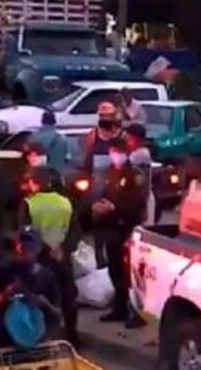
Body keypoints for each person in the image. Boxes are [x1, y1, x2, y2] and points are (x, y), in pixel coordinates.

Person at [19, 170, 82, 345]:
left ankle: (40, 337)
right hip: (62, 258)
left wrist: (44, 249)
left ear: (34, 183)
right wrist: (63, 249)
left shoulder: (29, 203)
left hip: (40, 259)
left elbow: (26, 232)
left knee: (38, 297)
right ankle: (72, 336)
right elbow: (75, 230)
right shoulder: (65, 202)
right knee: (68, 298)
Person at [94, 142, 149, 328]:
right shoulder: (109, 173)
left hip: (128, 229)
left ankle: (136, 312)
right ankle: (120, 307)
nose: (115, 156)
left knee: (130, 274)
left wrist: (115, 208)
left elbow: (138, 204)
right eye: (112, 152)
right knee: (115, 270)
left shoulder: (135, 175)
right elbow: (103, 193)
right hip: (111, 229)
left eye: (119, 152)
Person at [0, 227, 63, 349]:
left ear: (39, 249)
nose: (26, 252)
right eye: (22, 246)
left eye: (31, 247)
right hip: (7, 344)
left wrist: (44, 304)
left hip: (38, 343)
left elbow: (58, 316)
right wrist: (5, 295)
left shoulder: (47, 276)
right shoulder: (2, 270)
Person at [28, 110, 71, 176]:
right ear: (54, 122)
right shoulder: (60, 138)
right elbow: (67, 157)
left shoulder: (33, 137)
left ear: (42, 121)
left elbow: (28, 153)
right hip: (54, 172)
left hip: (35, 172)